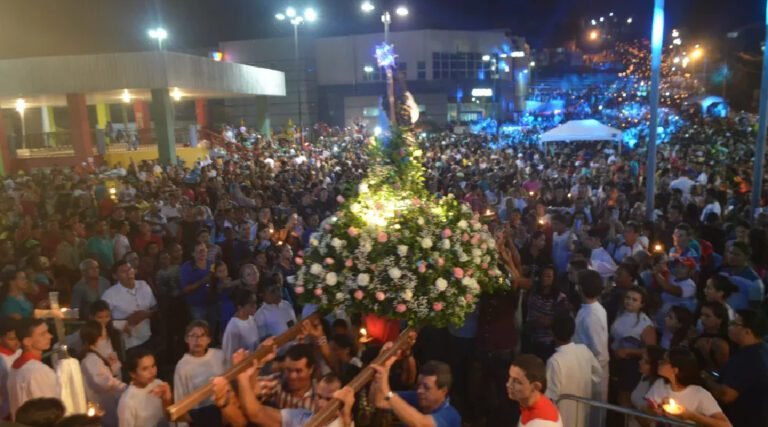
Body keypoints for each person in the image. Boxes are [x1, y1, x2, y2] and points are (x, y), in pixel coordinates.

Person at [231, 345, 354, 427]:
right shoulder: (302, 417)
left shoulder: (346, 421)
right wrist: (243, 377)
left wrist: (347, 418)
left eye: (329, 399)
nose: (321, 404)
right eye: (319, 397)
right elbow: (257, 413)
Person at [704, 309, 768, 427]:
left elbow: (726, 395)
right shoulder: (761, 350)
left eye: (734, 324)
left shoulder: (749, 357)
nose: (729, 326)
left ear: (747, 332)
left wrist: (705, 378)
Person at [645, 348, 731, 427]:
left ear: (675, 370)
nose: (659, 362)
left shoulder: (699, 394)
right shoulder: (659, 385)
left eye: (664, 361)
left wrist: (692, 416)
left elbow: (726, 425)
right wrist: (652, 410)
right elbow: (646, 415)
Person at [370, 355, 461, 427]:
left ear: (443, 391)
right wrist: (381, 368)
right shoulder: (415, 397)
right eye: (419, 385)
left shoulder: (450, 415)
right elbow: (379, 401)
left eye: (426, 387)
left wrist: (387, 392)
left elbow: (421, 424)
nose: (419, 391)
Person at [545, 313, 601, 427]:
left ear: (552, 333)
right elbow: (598, 375)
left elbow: (550, 396)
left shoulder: (555, 361)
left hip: (563, 416)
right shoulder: (584, 350)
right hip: (583, 410)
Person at [609, 285, 657, 408]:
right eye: (628, 298)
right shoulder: (621, 313)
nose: (629, 301)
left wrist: (629, 351)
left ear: (642, 304)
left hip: (631, 365)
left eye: (634, 300)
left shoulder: (645, 323)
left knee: (624, 397)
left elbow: (651, 350)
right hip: (614, 359)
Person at [173, 320, 226, 427]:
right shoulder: (182, 366)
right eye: (193, 336)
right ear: (186, 339)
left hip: (223, 411)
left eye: (202, 336)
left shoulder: (219, 355)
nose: (198, 340)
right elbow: (179, 398)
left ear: (209, 339)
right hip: (200, 416)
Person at [8, 318, 60, 419]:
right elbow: (49, 409)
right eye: (43, 334)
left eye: (48, 332)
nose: (50, 336)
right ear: (27, 341)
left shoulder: (16, 365)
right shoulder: (38, 370)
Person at [79, 320, 126, 427]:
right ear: (96, 337)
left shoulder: (96, 356)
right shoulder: (91, 359)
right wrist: (123, 387)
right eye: (103, 334)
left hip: (107, 402)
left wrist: (113, 365)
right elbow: (102, 381)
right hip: (101, 404)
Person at [101, 260, 156, 351]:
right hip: (127, 342)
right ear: (115, 276)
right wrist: (125, 322)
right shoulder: (110, 294)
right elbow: (102, 320)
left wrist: (146, 314)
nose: (128, 273)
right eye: (123, 272)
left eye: (130, 269)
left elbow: (154, 306)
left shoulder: (143, 285)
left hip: (148, 336)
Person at [573, 270, 609, 405]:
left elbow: (600, 353)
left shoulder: (592, 315)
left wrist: (588, 375)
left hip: (591, 376)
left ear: (581, 289)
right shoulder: (589, 310)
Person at [117, 348, 172, 427]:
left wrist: (167, 400)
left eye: (153, 366)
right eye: (145, 369)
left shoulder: (158, 384)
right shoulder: (127, 401)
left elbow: (169, 417)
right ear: (133, 373)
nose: (152, 372)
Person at [507, 354, 563, 427]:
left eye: (517, 382)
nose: (508, 384)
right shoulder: (529, 405)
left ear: (536, 387)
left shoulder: (543, 423)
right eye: (510, 378)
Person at [628, 346, 665, 427]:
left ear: (655, 365)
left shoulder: (660, 388)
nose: (640, 362)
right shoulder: (644, 377)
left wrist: (632, 411)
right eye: (641, 359)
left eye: (646, 361)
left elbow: (648, 422)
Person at [221, 288, 260, 363]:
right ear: (240, 307)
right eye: (251, 304)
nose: (255, 306)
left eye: (255, 303)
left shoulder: (251, 319)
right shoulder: (233, 327)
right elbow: (229, 356)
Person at [691, 301, 731, 373]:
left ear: (719, 320)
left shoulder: (720, 343)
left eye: (707, 316)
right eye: (701, 315)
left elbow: (723, 372)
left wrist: (706, 354)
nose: (702, 319)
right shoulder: (700, 334)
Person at [0, 317, 21, 420]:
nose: (17, 342)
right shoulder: (1, 360)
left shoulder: (20, 352)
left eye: (19, 338)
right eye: (11, 339)